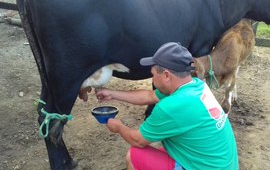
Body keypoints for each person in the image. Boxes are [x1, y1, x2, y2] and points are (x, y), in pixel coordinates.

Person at [95, 42, 239, 170]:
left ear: (166, 75)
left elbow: (137, 140)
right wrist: (113, 94)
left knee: (134, 155)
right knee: (160, 146)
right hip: (221, 164)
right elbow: (149, 96)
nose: (152, 78)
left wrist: (119, 127)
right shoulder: (195, 86)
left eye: (153, 74)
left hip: (202, 166)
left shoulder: (171, 107)